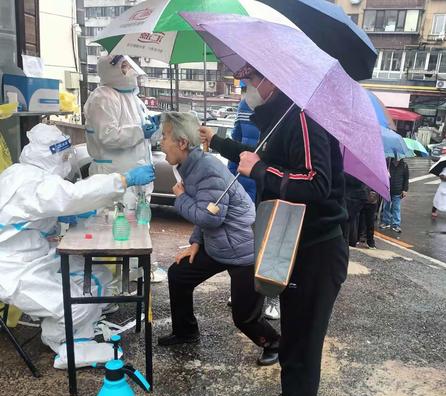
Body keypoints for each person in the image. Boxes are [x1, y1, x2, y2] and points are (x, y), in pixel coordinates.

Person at [200, 65, 348, 396]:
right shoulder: (285, 115)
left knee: (302, 341)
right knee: (294, 332)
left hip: (317, 249)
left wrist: (262, 171)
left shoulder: (304, 114)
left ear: (273, 77)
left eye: (250, 77)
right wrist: (216, 142)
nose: (245, 84)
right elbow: (258, 156)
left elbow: (316, 183)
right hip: (296, 243)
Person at [0, 124, 155, 366]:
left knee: (97, 275)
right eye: (63, 157)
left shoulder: (29, 175)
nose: (66, 162)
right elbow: (70, 195)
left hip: (38, 255)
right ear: (51, 155)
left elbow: (43, 206)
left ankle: (70, 335)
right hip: (13, 269)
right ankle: (70, 350)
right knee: (75, 302)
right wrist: (123, 180)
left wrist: (61, 216)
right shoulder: (27, 181)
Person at [157, 112, 280, 367]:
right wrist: (195, 243)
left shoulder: (207, 169)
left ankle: (275, 343)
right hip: (218, 245)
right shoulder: (189, 166)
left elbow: (210, 217)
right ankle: (186, 331)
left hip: (243, 250)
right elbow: (206, 212)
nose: (160, 142)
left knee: (245, 317)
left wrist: (180, 198)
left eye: (164, 136)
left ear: (181, 143)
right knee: (179, 275)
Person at [229, 82, 280, 321]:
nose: (249, 88)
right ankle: (242, 291)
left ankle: (272, 298)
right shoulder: (244, 106)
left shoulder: (282, 115)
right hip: (243, 185)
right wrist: (232, 177)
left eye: (253, 80)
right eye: (246, 83)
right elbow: (236, 140)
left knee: (269, 245)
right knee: (243, 244)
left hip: (267, 187)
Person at [84, 54, 158, 209]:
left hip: (137, 180)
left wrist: (157, 127)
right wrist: (140, 132)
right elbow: (107, 136)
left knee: (138, 228)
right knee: (113, 227)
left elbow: (145, 137)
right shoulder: (103, 97)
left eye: (129, 65)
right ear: (110, 70)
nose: (129, 70)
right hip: (113, 176)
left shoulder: (134, 98)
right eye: (124, 66)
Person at [379, 156, 409, 233]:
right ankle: (386, 222)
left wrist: (405, 190)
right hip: (388, 190)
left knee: (396, 208)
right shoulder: (388, 164)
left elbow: (406, 179)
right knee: (386, 207)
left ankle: (396, 224)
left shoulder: (404, 165)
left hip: (398, 191)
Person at [343, 174, 368, 248]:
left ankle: (348, 243)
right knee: (352, 221)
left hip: (351, 196)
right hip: (358, 196)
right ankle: (351, 242)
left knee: (346, 224)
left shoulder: (351, 169)